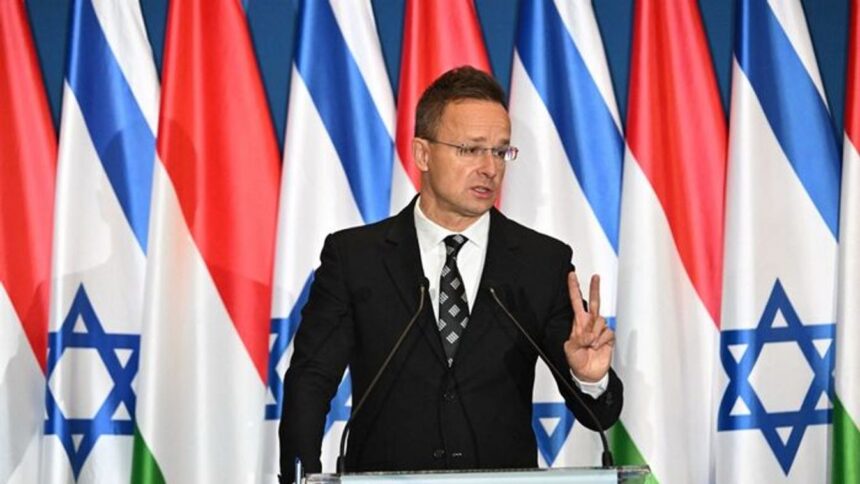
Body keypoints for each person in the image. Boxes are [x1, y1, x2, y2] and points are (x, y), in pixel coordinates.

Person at [279, 66, 622, 481]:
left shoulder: (541, 263)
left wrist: (589, 378)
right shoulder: (356, 258)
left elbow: (598, 415)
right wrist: (301, 478)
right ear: (423, 154)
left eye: (500, 151)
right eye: (471, 149)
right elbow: (310, 382)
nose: (490, 168)